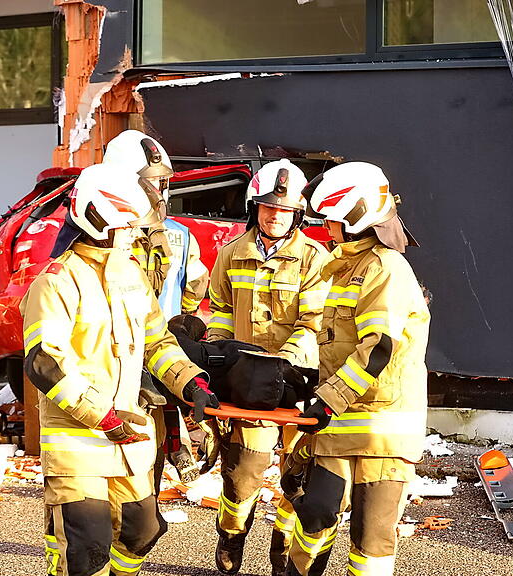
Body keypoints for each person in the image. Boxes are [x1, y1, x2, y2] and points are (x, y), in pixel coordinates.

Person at [20, 162, 219, 576]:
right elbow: (43, 362)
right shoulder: (55, 281)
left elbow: (157, 343)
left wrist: (192, 384)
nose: (135, 234)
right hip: (77, 439)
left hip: (126, 436)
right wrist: (102, 416)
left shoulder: (130, 274)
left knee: (142, 532)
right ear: (99, 221)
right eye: (128, 226)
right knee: (86, 549)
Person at [284, 161, 428, 576]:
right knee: (314, 515)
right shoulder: (349, 267)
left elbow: (377, 348)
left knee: (370, 539)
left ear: (354, 217)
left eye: (331, 220)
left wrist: (326, 402)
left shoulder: (385, 269)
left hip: (381, 432)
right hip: (339, 426)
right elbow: (337, 347)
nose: (326, 229)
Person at [206, 159, 330, 575]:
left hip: (295, 384)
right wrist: (224, 358)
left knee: (297, 480)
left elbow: (313, 324)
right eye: (267, 207)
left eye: (285, 210)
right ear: (254, 207)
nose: (275, 215)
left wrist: (279, 366)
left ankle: (282, 550)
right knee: (243, 475)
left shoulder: (315, 259)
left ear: (298, 214)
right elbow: (220, 312)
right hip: (246, 386)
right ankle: (232, 534)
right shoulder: (230, 255)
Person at [104, 129, 210, 483]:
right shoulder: (178, 234)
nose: (160, 190)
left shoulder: (107, 236)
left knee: (142, 460)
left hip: (141, 353)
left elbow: (195, 282)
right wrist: (182, 317)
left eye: (161, 183)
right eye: (154, 183)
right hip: (139, 358)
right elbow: (196, 283)